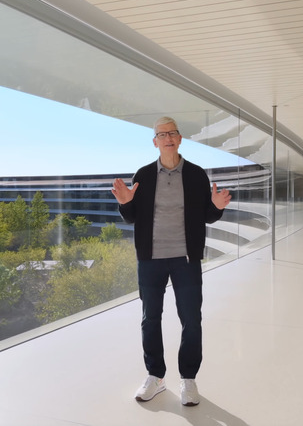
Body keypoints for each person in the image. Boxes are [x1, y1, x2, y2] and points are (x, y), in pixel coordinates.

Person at [111, 116, 231, 407]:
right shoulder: (143, 175)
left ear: (179, 139)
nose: (167, 138)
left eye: (172, 133)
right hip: (150, 259)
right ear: (155, 142)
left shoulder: (196, 175)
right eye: (162, 134)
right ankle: (156, 376)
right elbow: (132, 217)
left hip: (185, 259)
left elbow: (206, 215)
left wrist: (216, 208)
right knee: (150, 318)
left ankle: (188, 378)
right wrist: (125, 203)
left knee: (191, 319)